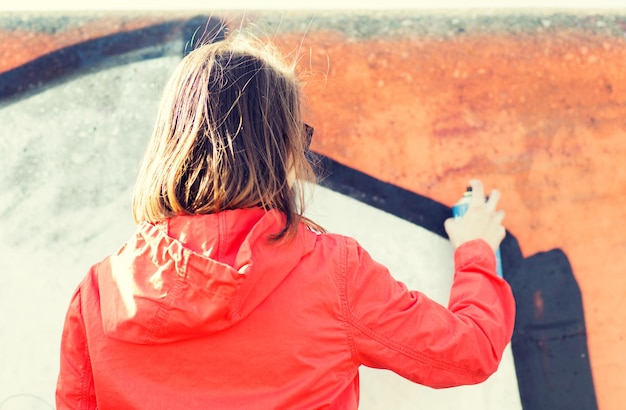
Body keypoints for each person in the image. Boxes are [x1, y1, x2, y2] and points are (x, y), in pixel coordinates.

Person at [56, 30, 515, 410]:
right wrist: (476, 250)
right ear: (279, 151)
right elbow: (468, 351)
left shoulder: (99, 292)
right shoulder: (334, 272)